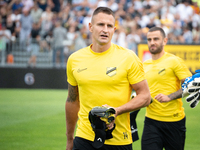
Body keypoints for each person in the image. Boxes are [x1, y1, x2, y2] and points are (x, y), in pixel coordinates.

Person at [65, 7, 151, 150]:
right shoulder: (75, 59)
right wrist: (69, 139)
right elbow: (72, 100)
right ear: (90, 27)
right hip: (84, 138)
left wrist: (117, 110)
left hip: (119, 141)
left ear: (114, 29)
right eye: (100, 25)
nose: (105, 30)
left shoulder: (128, 57)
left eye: (109, 26)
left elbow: (145, 96)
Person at [141, 27, 192, 150]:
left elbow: (190, 85)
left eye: (156, 39)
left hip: (174, 121)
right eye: (149, 39)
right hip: (151, 121)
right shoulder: (144, 65)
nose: (152, 42)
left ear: (165, 41)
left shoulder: (174, 61)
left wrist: (169, 97)